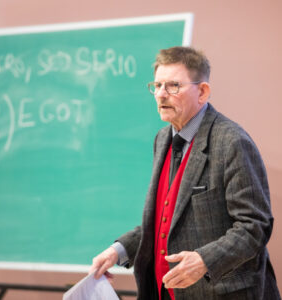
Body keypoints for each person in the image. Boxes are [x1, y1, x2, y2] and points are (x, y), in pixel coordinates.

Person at [89, 46, 281, 300]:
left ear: (202, 92)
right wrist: (119, 250)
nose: (161, 95)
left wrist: (205, 260)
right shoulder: (162, 139)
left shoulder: (231, 142)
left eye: (173, 86)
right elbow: (164, 219)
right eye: (156, 86)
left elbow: (255, 226)